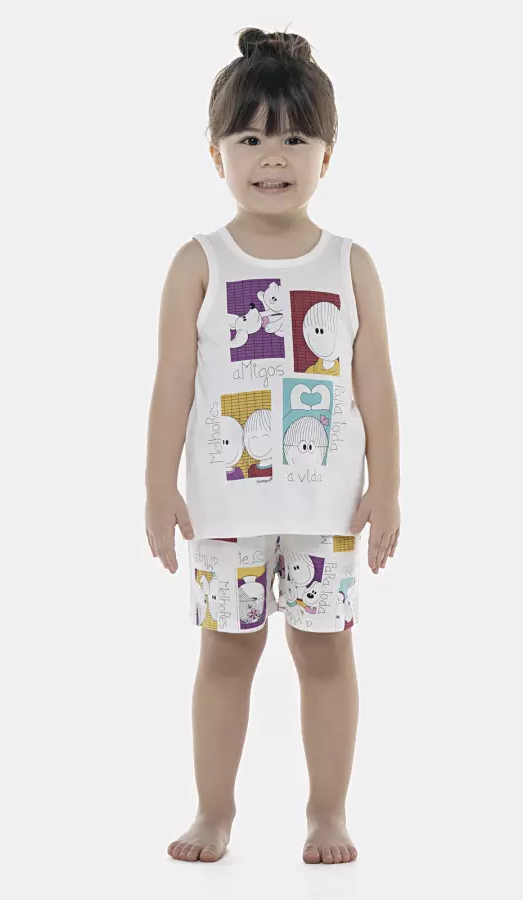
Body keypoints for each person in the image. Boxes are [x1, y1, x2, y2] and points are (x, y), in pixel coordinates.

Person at [144, 26, 401, 865]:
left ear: (328, 153)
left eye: (294, 137)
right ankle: (213, 810)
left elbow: (376, 384)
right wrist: (157, 486)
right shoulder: (199, 262)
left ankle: (328, 813)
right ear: (215, 153)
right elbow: (173, 383)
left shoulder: (350, 263)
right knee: (226, 656)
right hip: (228, 509)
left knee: (326, 654)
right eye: (249, 138)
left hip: (326, 509)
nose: (272, 156)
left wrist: (388, 486)